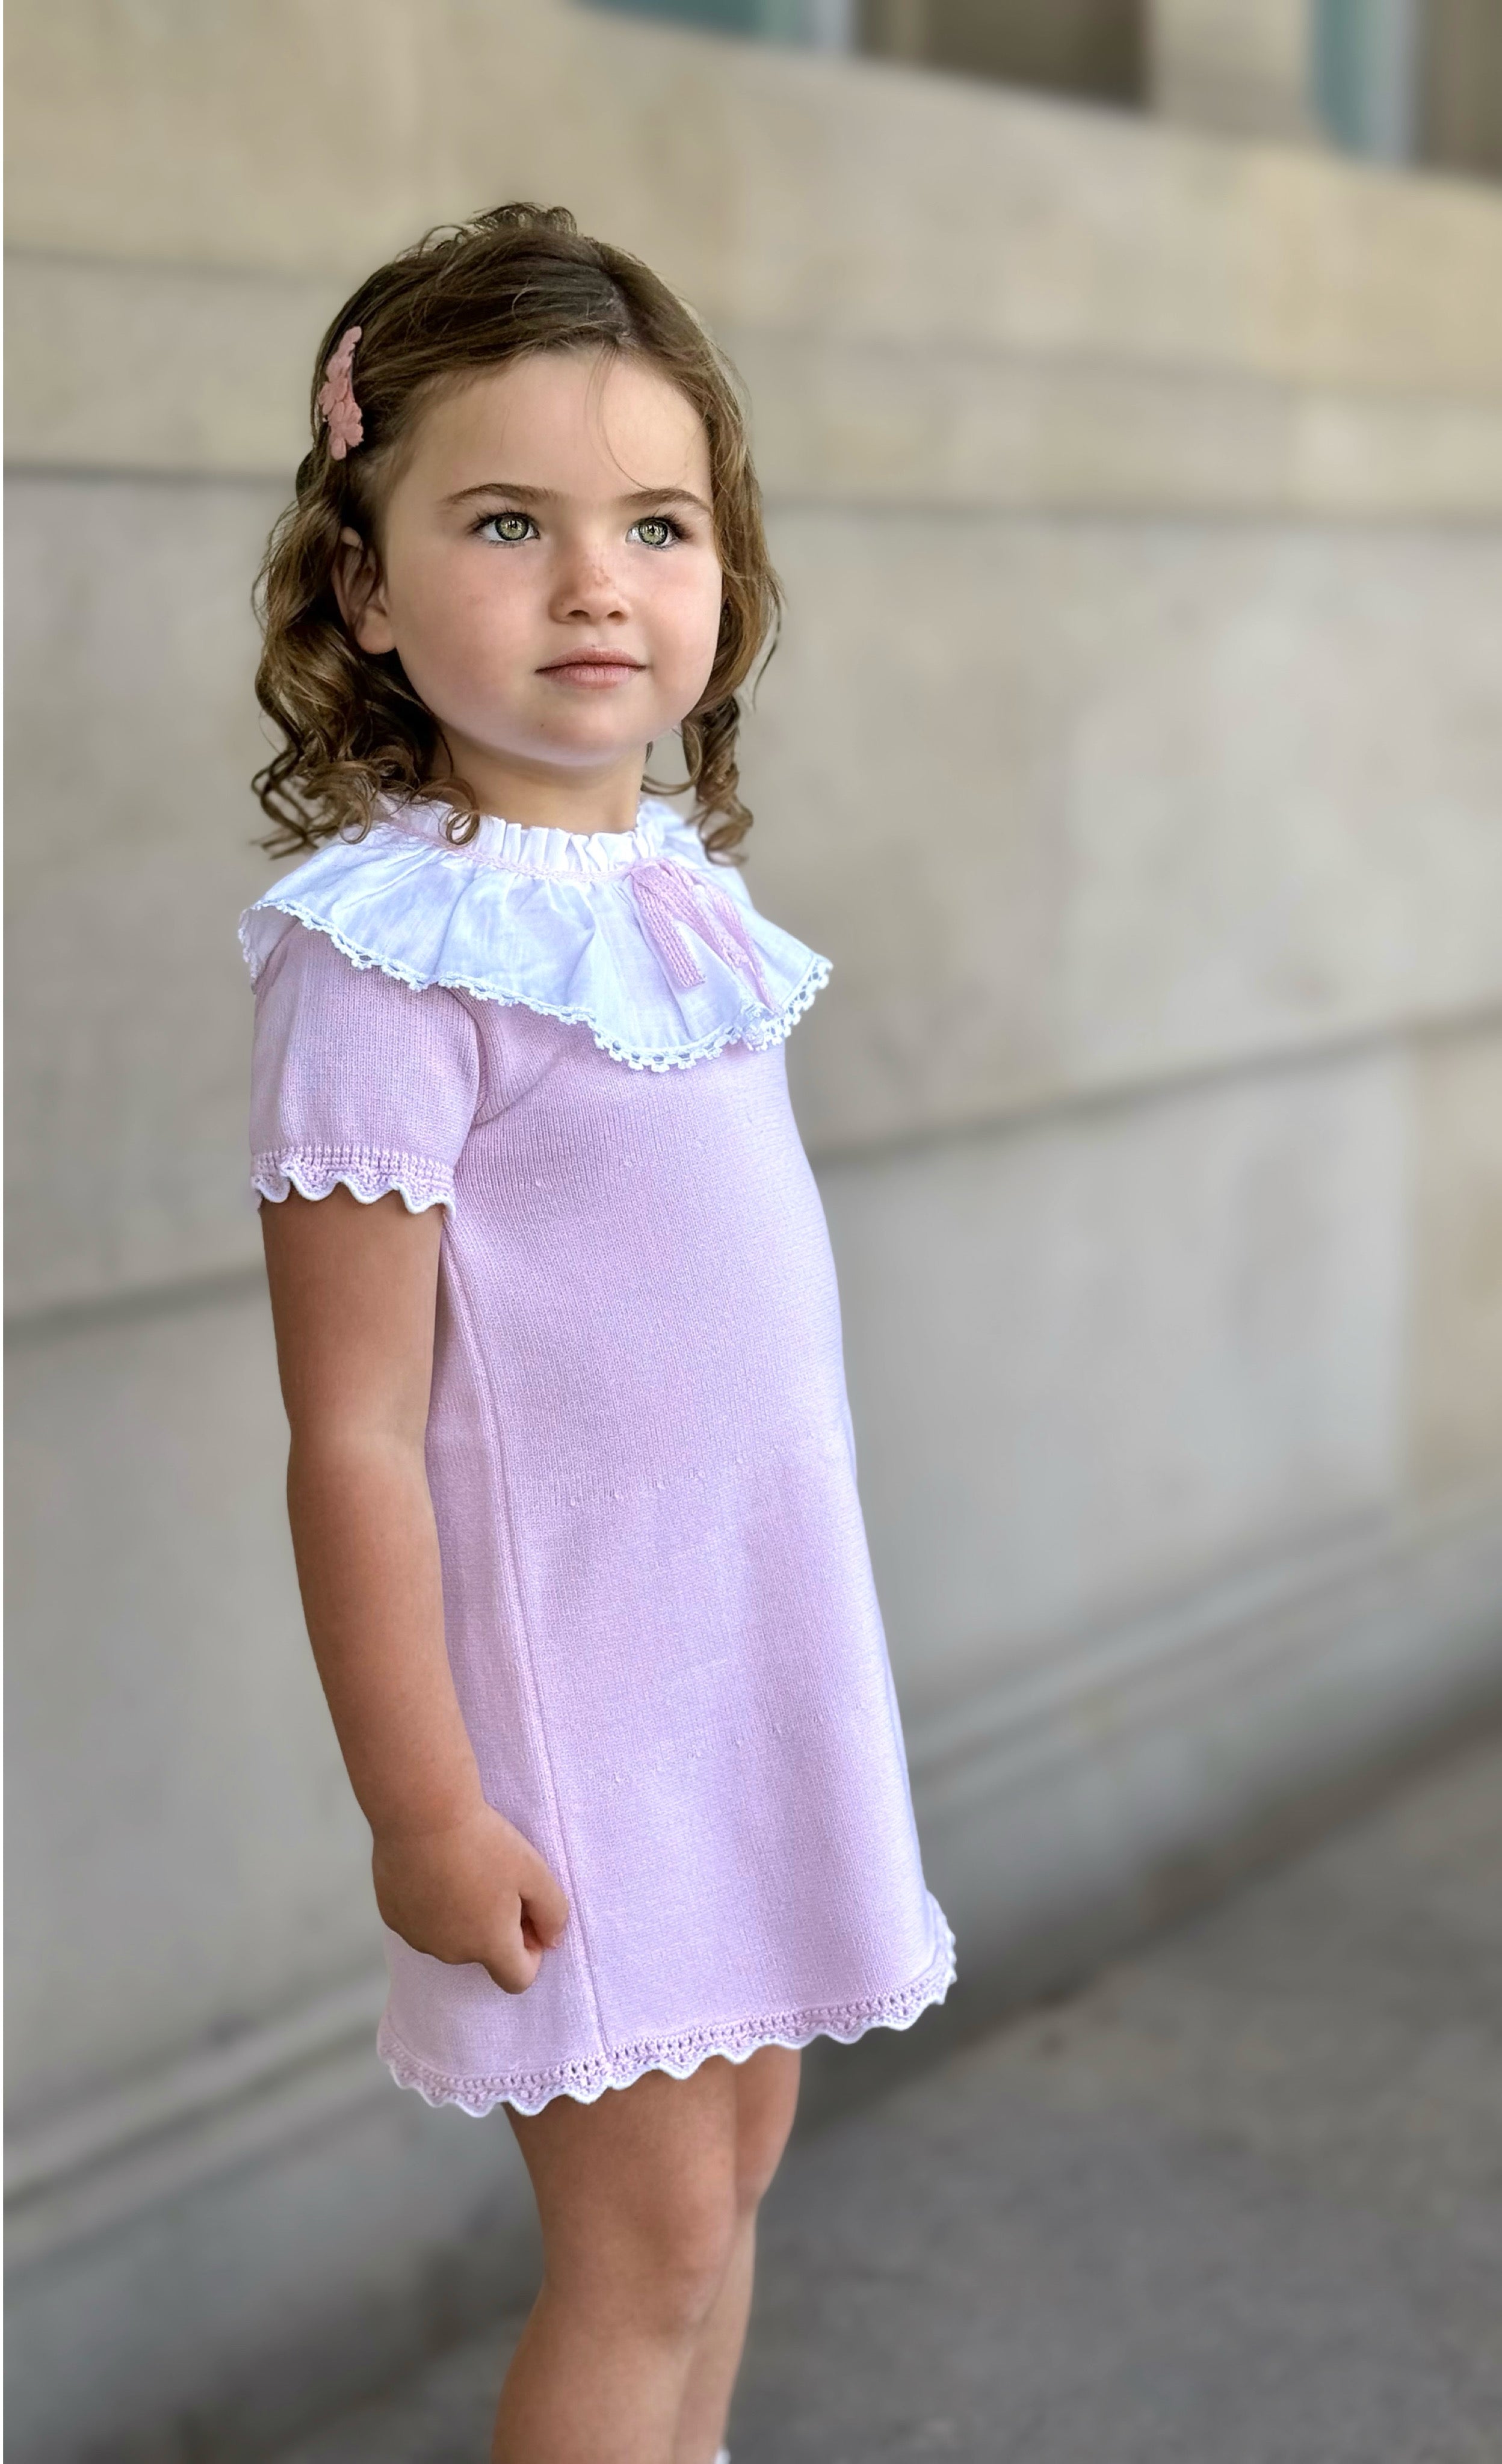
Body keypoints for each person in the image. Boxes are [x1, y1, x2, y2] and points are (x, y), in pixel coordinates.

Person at [243, 203, 954, 2464]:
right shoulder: (385, 956)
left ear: (724, 571)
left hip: (751, 1671)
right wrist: (424, 1804)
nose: (593, 584)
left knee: (727, 2200)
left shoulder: (684, 909)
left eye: (656, 524)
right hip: (576, 1726)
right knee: (640, 2247)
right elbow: (353, 1431)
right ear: (366, 586)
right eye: (505, 522)